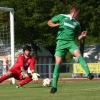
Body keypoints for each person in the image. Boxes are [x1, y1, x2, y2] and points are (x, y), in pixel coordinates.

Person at [47, 4, 94, 93]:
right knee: (58, 63)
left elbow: (77, 37)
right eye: (78, 13)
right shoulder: (62, 17)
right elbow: (49, 22)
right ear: (74, 12)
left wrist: (82, 36)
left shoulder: (77, 24)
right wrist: (55, 25)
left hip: (70, 43)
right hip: (60, 42)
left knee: (78, 55)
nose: (78, 15)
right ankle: (54, 87)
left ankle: (88, 74)